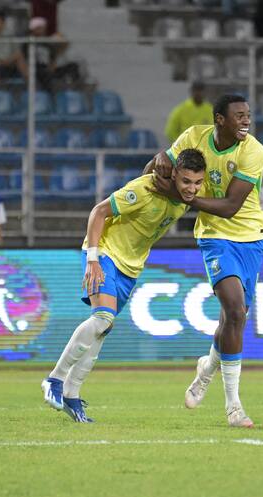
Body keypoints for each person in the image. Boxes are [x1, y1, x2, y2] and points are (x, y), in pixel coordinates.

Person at [40, 149, 207, 422]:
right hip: (104, 253)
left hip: (130, 267)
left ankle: (72, 394)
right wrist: (93, 259)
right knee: (103, 318)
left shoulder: (182, 200)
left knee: (103, 328)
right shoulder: (144, 189)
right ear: (173, 175)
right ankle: (54, 380)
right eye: (186, 181)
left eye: (197, 183)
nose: (191, 188)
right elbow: (98, 212)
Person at [147, 94, 263, 429]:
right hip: (215, 237)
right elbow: (159, 169)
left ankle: (207, 369)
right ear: (219, 119)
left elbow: (231, 206)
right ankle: (234, 408)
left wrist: (184, 195)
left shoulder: (254, 151)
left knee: (236, 319)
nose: (246, 121)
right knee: (233, 308)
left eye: (248, 116)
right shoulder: (194, 137)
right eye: (239, 116)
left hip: (251, 237)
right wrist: (158, 160)